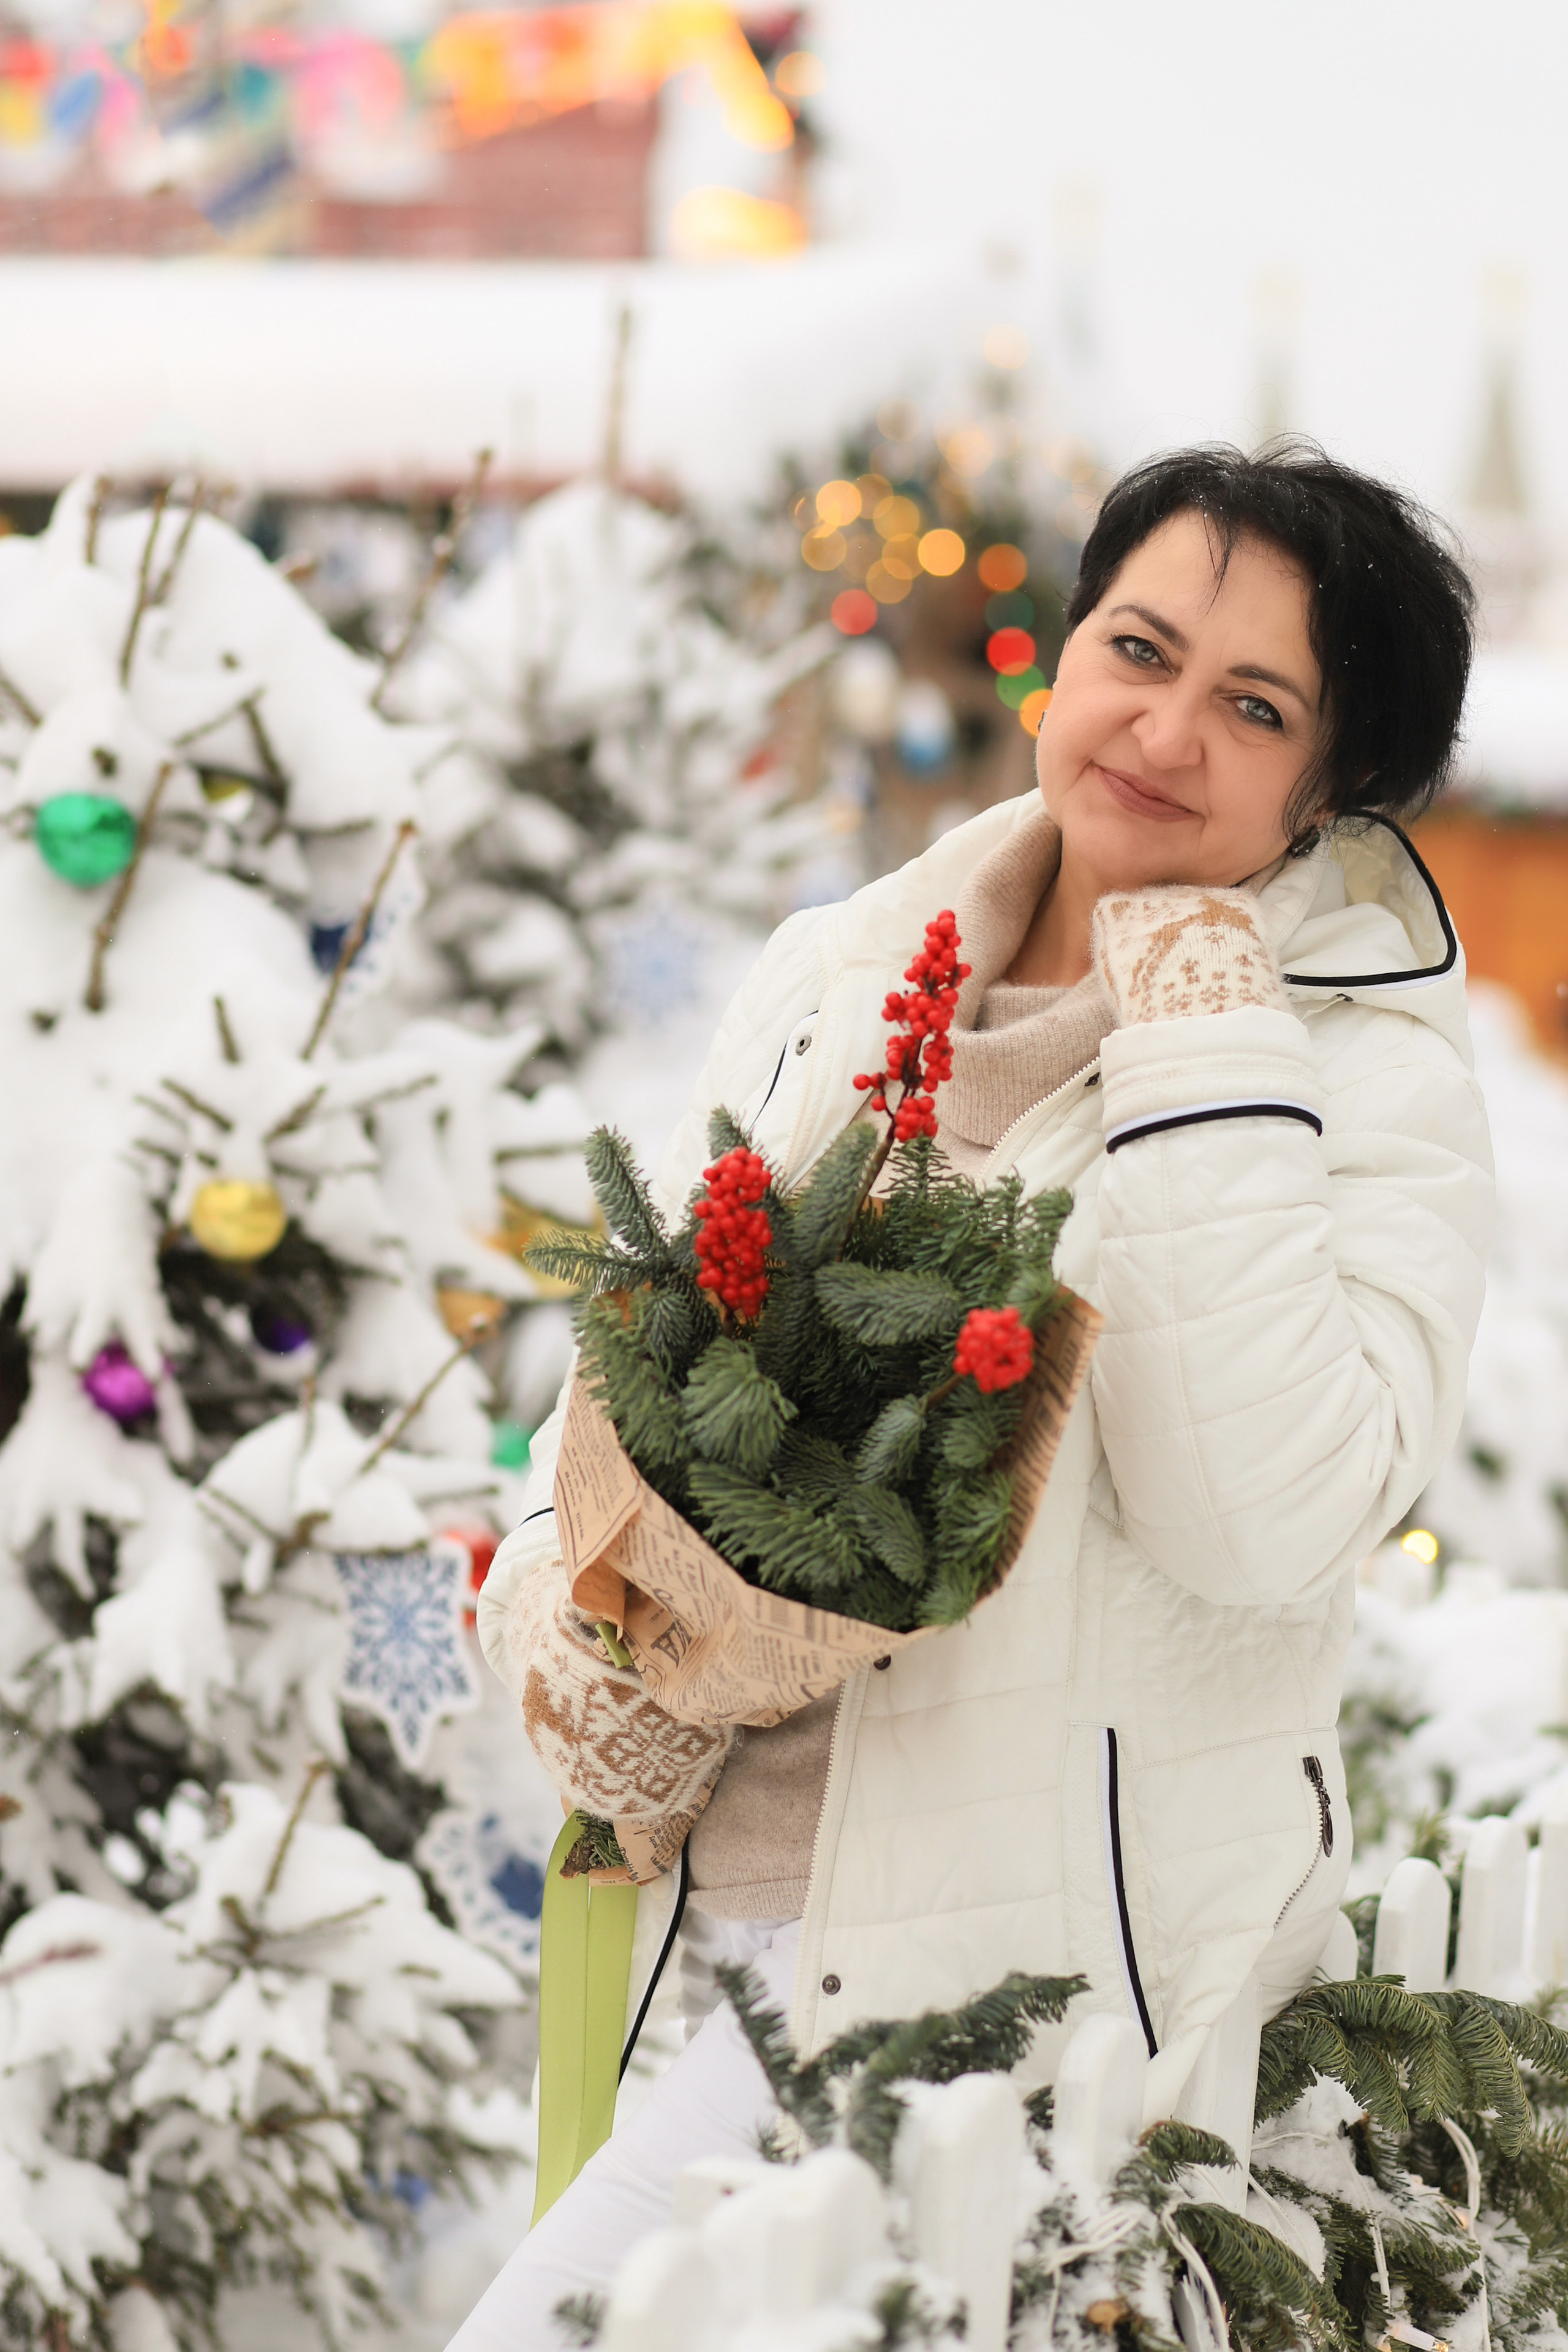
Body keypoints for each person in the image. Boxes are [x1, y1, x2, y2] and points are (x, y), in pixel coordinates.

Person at [453, 442, 1494, 2346]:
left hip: (1012, 1997)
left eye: (1253, 705)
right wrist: (577, 1630)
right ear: (1064, 650)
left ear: (1328, 785)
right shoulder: (841, 968)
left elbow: (1258, 1520)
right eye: (1140, 645)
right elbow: (637, 1355)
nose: (1164, 728)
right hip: (716, 1942)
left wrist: (1206, 1025)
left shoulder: (1377, 1084)